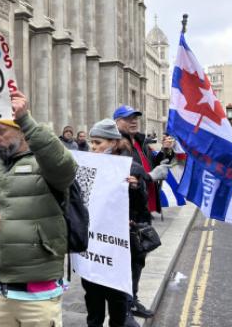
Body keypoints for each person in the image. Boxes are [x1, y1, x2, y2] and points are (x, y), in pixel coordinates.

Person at [0, 90, 77, 327]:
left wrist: (26, 118)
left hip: (37, 293)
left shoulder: (46, 165)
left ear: (22, 131)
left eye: (1, 131)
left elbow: (64, 166)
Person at [82, 119, 151, 327]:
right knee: (93, 305)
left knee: (117, 305)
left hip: (119, 248)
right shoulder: (87, 165)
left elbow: (143, 208)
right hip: (93, 245)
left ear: (113, 142)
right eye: (91, 143)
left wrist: (136, 187)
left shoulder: (132, 168)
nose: (93, 148)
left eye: (98, 143)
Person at [113, 105, 173, 320]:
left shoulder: (140, 141)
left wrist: (165, 151)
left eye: (136, 117)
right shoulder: (118, 144)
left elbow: (153, 163)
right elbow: (129, 175)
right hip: (128, 212)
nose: (133, 121)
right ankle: (125, 306)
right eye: (128, 118)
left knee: (138, 259)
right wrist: (149, 176)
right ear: (117, 122)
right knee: (127, 261)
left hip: (143, 208)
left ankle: (133, 299)